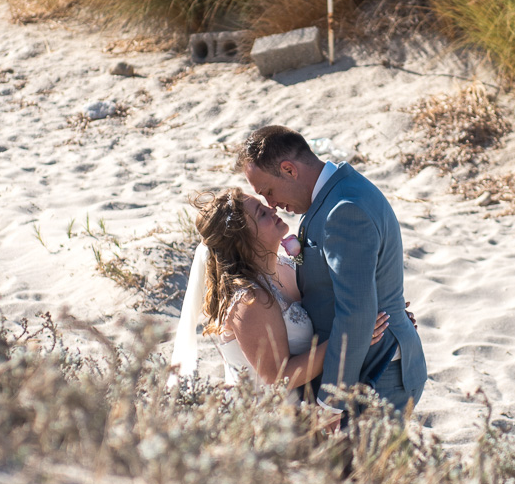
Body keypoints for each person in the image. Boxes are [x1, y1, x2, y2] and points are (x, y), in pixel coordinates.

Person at [240, 125, 426, 416]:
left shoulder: (343, 209)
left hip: (375, 375)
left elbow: (356, 313)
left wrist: (330, 403)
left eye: (269, 192)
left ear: (289, 170)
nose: (272, 205)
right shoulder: (337, 193)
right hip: (359, 370)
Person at [182, 186, 389, 402]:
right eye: (262, 213)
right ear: (242, 239)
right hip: (268, 420)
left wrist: (386, 311)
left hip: (309, 402)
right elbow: (277, 377)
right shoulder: (249, 300)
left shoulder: (288, 267)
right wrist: (350, 338)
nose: (272, 209)